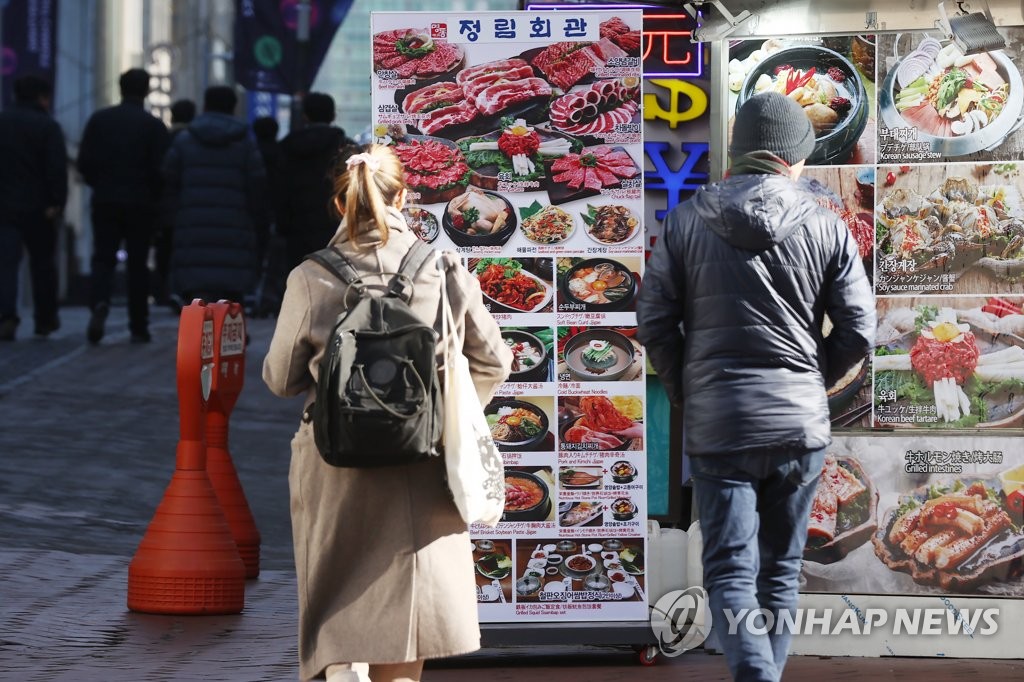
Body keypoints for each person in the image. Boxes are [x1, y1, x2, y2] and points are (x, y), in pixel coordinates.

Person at [636, 92, 875, 682]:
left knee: (731, 571)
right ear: (794, 158)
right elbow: (860, 331)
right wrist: (808, 381)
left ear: (738, 153)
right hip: (799, 427)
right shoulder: (826, 223)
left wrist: (689, 391)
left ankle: (756, 676)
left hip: (719, 425)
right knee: (781, 569)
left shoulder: (688, 219)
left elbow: (653, 322)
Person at [262, 144, 511, 682]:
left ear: (338, 202)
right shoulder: (442, 267)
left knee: (339, 611)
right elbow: (494, 359)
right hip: (423, 467)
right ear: (404, 195)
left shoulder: (310, 276)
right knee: (408, 618)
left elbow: (281, 380)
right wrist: (443, 411)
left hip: (334, 469)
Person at [78, 68, 170, 344]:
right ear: (146, 91)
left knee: (103, 257)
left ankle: (99, 303)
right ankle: (138, 325)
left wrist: (100, 184)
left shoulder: (99, 120)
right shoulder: (153, 126)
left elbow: (85, 163)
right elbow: (161, 170)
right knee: (138, 264)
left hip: (105, 198)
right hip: (140, 202)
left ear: (120, 88)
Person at [162, 85, 266, 304]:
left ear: (205, 106)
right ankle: (229, 335)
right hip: (234, 227)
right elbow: (257, 185)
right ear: (233, 107)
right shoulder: (245, 142)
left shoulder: (184, 140)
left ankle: (197, 336)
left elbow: (168, 182)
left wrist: (171, 219)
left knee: (196, 301)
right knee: (230, 299)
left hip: (192, 227)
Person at [0, 74, 68, 341]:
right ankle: (45, 319)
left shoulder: (2, 122)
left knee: (6, 265)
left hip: (4, 208)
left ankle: (6, 316)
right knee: (42, 265)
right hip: (40, 209)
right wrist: (56, 202)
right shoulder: (47, 126)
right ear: (43, 97)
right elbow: (56, 168)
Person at [277, 92, 357, 272]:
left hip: (297, 230)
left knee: (300, 282)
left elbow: (278, 191)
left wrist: (283, 226)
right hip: (337, 228)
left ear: (305, 115)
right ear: (333, 115)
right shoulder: (346, 148)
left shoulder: (287, 148)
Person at [153, 99, 196, 308]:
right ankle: (183, 291)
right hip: (191, 208)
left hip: (166, 208)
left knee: (165, 251)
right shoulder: (195, 140)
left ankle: (163, 292)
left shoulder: (166, 138)